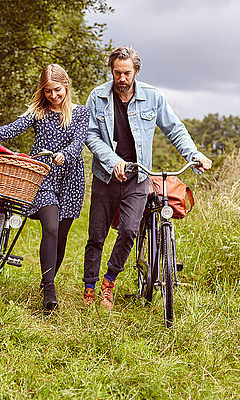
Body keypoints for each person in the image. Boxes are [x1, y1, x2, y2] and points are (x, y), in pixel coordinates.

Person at [83, 46, 212, 310]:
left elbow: (174, 129)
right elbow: (91, 136)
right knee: (96, 235)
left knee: (129, 230)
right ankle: (89, 288)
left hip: (139, 178)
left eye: (127, 73)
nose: (121, 78)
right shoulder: (97, 97)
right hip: (106, 177)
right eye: (117, 73)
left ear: (136, 72)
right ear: (111, 71)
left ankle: (109, 282)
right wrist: (113, 161)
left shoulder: (153, 97)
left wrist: (194, 155)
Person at [0, 64, 90, 311]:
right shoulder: (38, 112)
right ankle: (50, 289)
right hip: (42, 176)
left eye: (57, 90)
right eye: (47, 91)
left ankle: (47, 281)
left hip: (70, 179)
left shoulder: (81, 113)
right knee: (51, 227)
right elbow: (13, 128)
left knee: (62, 236)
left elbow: (79, 141)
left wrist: (65, 154)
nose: (53, 95)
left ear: (66, 86)